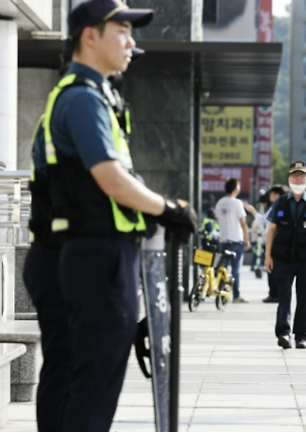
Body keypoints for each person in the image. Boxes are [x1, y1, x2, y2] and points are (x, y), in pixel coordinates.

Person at [29, 1, 196, 431]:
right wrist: (168, 208)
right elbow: (110, 178)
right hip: (95, 254)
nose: (131, 41)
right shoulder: (83, 100)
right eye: (122, 31)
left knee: (73, 377)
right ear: (90, 35)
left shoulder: (85, 96)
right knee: (94, 383)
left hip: (87, 250)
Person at [265, 162, 306, 349]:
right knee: (284, 296)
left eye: (302, 176)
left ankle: (301, 336)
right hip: (283, 258)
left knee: (304, 298)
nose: (298, 179)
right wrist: (267, 256)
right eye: (295, 176)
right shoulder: (281, 202)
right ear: (289, 179)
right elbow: (271, 230)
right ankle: (283, 333)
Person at [214, 178, 251, 303]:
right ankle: (236, 295)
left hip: (223, 240)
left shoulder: (219, 203)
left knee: (223, 268)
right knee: (235, 269)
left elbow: (218, 221)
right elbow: (243, 223)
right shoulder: (237, 203)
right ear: (236, 188)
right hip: (236, 240)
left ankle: (221, 292)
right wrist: (247, 239)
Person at [262, 184, 287, 303]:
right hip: (273, 241)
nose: (269, 196)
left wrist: (252, 211)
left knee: (272, 269)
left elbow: (265, 222)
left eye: (271, 194)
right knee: (272, 269)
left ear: (277, 195)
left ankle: (274, 293)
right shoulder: (277, 206)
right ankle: (274, 293)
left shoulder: (278, 206)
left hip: (273, 242)